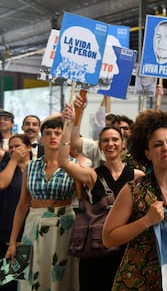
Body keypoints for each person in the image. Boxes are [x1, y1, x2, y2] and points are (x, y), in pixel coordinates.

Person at [102, 109, 167, 290]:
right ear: (148, 154)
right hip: (138, 280)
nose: (166, 148)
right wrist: (146, 221)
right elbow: (108, 238)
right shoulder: (133, 190)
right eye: (158, 144)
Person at [58, 103, 143, 291]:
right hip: (96, 247)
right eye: (105, 140)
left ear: (123, 144)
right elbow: (63, 162)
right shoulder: (92, 175)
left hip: (126, 247)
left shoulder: (137, 176)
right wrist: (69, 124)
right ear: (100, 145)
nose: (110, 144)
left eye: (115, 139)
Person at [5, 116, 79, 290]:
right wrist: (13, 241)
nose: (53, 136)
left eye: (57, 133)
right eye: (48, 133)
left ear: (63, 136)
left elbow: (83, 199)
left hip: (64, 225)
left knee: (60, 279)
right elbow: (22, 204)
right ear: (42, 137)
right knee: (29, 277)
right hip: (33, 224)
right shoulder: (30, 166)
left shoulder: (74, 165)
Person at [0, 134, 31, 291]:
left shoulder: (34, 169)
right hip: (4, 233)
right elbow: (1, 183)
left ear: (28, 147)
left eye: (17, 146)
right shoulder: (6, 166)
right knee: (7, 283)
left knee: (19, 283)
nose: (13, 149)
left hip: (24, 233)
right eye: (10, 147)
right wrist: (13, 160)